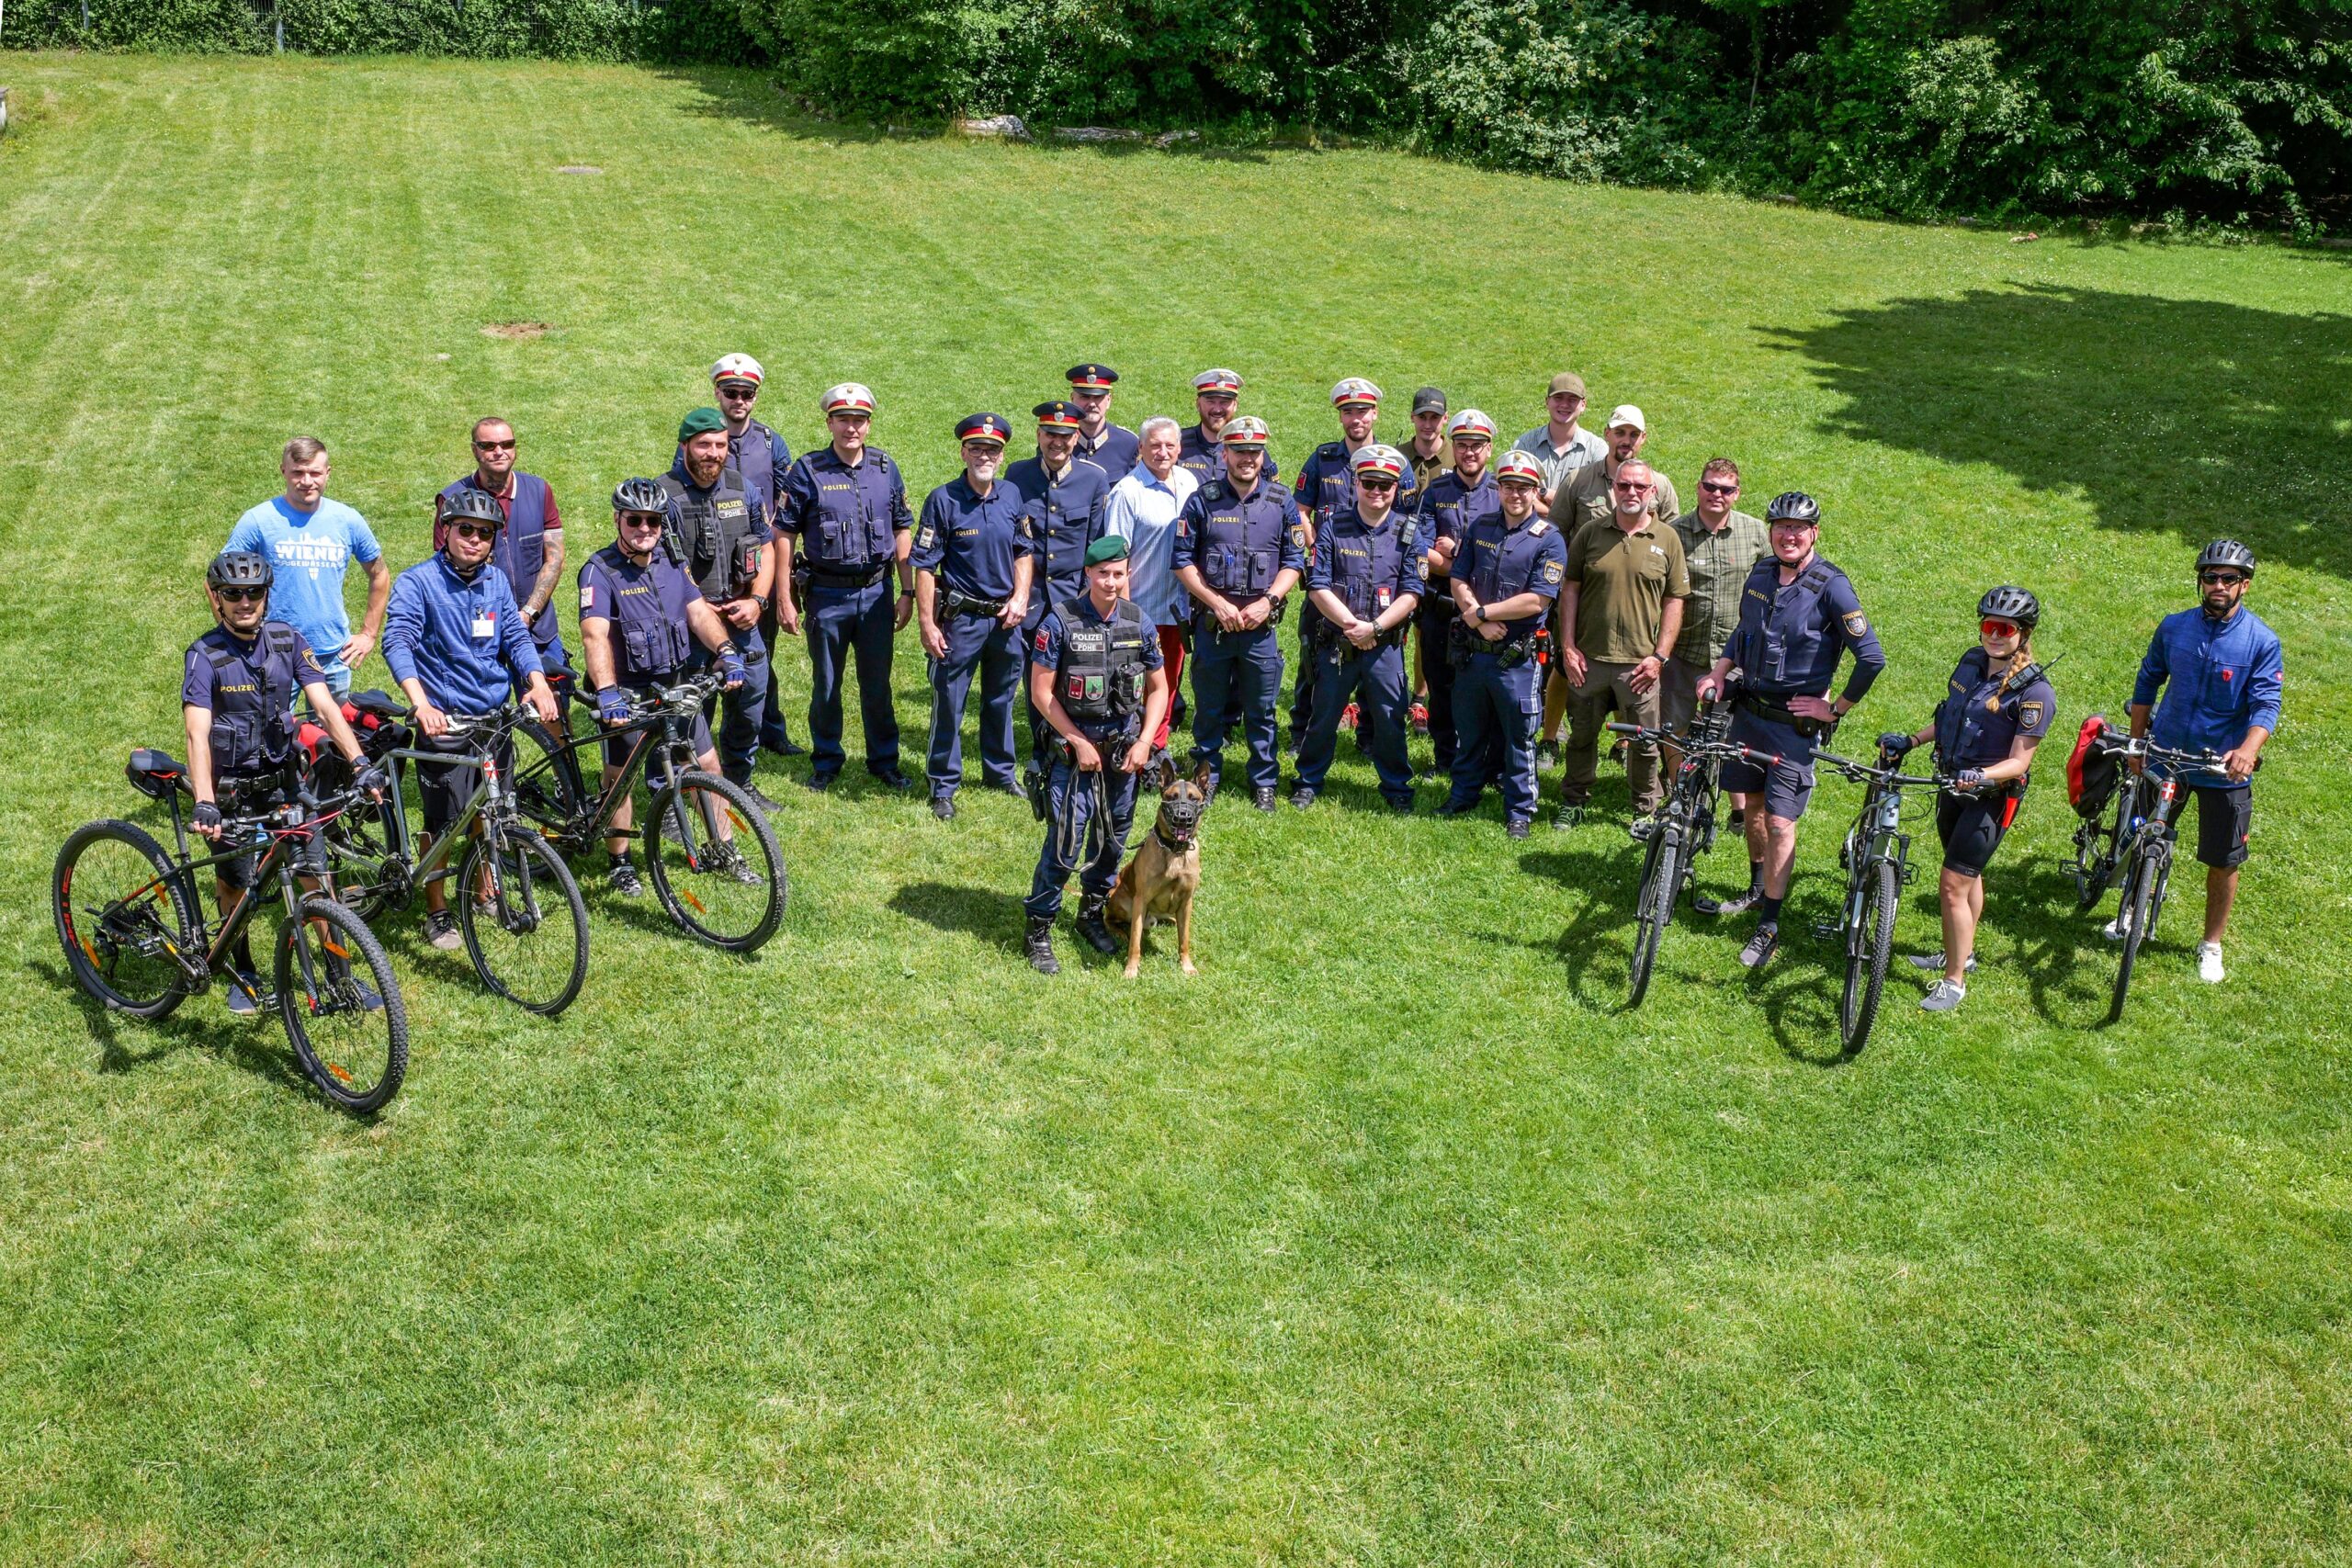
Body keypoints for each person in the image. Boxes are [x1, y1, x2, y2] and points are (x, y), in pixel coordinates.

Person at [1693, 491, 1887, 968]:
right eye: (1780, 527)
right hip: (1748, 716)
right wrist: (1720, 671)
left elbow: (1872, 658)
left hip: (1792, 728)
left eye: (1798, 528)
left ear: (1814, 533)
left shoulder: (1832, 587)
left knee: (1781, 822)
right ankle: (1758, 890)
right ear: (1771, 531)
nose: (1789, 535)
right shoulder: (1760, 573)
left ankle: (1771, 924)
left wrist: (1835, 710)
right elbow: (1744, 632)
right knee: (1752, 807)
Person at [183, 551, 379, 1011]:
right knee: (236, 884)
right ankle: (242, 971)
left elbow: (326, 707)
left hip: (285, 785)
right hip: (230, 792)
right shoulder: (204, 655)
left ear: (267, 595)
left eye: (253, 592)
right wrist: (206, 801)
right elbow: (197, 732)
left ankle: (340, 977)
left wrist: (359, 761)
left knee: (316, 877)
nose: (244, 601)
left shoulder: (289, 641)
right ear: (217, 598)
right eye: (233, 593)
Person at [382, 489, 562, 950]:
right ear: (447, 530)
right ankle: (438, 911)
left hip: (492, 719)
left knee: (492, 810)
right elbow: (397, 642)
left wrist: (536, 680)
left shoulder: (496, 582)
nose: (475, 540)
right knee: (443, 823)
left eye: (484, 533)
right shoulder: (417, 582)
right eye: (466, 530)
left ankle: (485, 891)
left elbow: (516, 637)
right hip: (445, 723)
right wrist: (421, 703)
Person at [1881, 587, 2057, 1013]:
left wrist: (1980, 776)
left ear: (2024, 633)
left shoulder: (2035, 693)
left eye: (2005, 628)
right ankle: (1964, 952)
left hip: (1990, 798)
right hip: (1952, 786)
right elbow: (1949, 716)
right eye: (1987, 626)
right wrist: (1913, 740)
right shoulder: (1972, 662)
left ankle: (1954, 981)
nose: (1994, 635)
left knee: (1952, 885)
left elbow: (2019, 763)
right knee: (1968, 878)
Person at [2116, 539, 2281, 984]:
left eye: (2229, 579)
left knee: (2223, 860)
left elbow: (2267, 703)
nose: (2219, 585)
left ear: (2244, 586)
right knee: (2142, 835)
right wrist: (2136, 744)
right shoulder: (2174, 628)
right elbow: (2147, 681)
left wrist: (2247, 750)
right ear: (2200, 581)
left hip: (2221, 768)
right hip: (2167, 752)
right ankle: (2129, 910)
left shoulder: (2261, 641)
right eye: (2211, 577)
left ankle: (2211, 944)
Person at [577, 479, 752, 896]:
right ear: (618, 519)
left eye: (652, 520)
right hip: (626, 692)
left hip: (675, 684)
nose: (644, 528)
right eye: (634, 519)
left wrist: (725, 649)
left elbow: (697, 612)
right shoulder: (599, 571)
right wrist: (606, 692)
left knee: (707, 768)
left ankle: (723, 849)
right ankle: (621, 862)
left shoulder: (673, 561)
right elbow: (594, 636)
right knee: (620, 779)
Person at [1023, 535, 1170, 975]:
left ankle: (1090, 914)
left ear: (1129, 575)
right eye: (1102, 573)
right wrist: (1078, 740)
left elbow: (1159, 689)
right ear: (1088, 574)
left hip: (1123, 755)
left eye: (1118, 573)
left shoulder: (1139, 623)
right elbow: (1041, 693)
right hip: (1075, 754)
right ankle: (1039, 928)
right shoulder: (1060, 623)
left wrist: (1145, 742)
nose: (1110, 581)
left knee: (1113, 839)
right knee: (1066, 844)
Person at [775, 382, 916, 791]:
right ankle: (827, 759)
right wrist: (784, 596)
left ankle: (884, 761)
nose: (851, 428)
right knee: (827, 683)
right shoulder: (807, 471)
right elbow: (784, 534)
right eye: (844, 420)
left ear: (868, 425)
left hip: (876, 593)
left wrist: (906, 592)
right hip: (826, 594)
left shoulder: (885, 469)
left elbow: (902, 530)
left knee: (877, 683)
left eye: (859, 420)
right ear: (830, 423)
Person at [1171, 416, 1304, 813]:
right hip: (1214, 624)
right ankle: (1205, 780)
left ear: (1262, 456)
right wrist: (1216, 602)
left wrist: (1271, 601)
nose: (1247, 458)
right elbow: (1181, 560)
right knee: (1209, 709)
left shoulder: (1282, 502)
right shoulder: (1202, 500)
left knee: (1261, 710)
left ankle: (1264, 781)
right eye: (1239, 451)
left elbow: (1295, 559)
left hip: (1260, 627)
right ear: (1224, 453)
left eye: (1255, 452)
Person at [1539, 405, 1681, 764]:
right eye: (1620, 433)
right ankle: (1550, 736)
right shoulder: (1579, 479)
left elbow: (1668, 538)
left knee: (1628, 666)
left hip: (1636, 595)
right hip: (1582, 591)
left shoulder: (1659, 485)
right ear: (1607, 434)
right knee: (1563, 665)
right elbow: (1556, 531)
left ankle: (1623, 742)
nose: (1627, 441)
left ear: (1643, 439)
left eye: (1634, 435)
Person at [1554, 458, 1690, 830]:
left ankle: (1645, 809)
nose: (1632, 493)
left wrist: (1660, 657)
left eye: (1640, 487)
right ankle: (1574, 799)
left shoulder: (1667, 539)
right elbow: (1570, 590)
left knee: (1646, 743)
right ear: (1614, 488)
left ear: (1653, 492)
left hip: (1640, 665)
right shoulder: (1591, 534)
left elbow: (1675, 600)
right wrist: (1568, 646)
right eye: (1624, 485)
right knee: (1582, 736)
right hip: (1589, 660)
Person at [1437, 451, 1565, 839]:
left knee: (1519, 737)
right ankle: (1463, 794)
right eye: (1509, 486)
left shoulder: (1550, 539)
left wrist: (1484, 615)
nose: (1515, 494)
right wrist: (1475, 613)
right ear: (1499, 489)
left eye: (1524, 488)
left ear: (1534, 492)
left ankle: (1520, 810)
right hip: (1475, 655)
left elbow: (1537, 600)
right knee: (1469, 731)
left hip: (1517, 659)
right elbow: (1458, 577)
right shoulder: (1480, 527)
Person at [913, 413, 1035, 819]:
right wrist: (927, 623)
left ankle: (1000, 773)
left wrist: (1020, 598)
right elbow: (925, 566)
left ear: (1002, 457)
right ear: (963, 452)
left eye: (993, 450)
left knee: (1001, 699)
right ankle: (943, 784)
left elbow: (1023, 551)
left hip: (1005, 619)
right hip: (961, 619)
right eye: (977, 448)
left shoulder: (1013, 495)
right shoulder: (942, 499)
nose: (985, 455)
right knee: (950, 701)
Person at [1288, 378, 1419, 750]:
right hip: (1329, 581)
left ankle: (1369, 735)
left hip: (1380, 581)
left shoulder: (1397, 466)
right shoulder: (1323, 458)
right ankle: (1304, 730)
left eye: (1362, 410)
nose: (1355, 418)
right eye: (1348, 411)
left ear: (1375, 413)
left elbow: (1408, 523)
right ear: (1340, 416)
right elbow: (1300, 512)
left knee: (1378, 660)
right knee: (1314, 655)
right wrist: (1319, 551)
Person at [1293, 445, 1423, 812]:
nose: (1377, 492)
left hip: (1384, 644)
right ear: (1356, 483)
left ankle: (1397, 786)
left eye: (1385, 486)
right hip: (1339, 640)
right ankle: (1308, 780)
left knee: (1390, 718)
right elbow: (1317, 585)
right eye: (1369, 483)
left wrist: (1375, 627)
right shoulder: (1333, 527)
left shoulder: (1408, 531)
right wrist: (1353, 626)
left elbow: (1413, 592)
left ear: (1396, 488)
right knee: (1324, 716)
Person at [663, 407, 779, 812]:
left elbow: (766, 546)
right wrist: (702, 612)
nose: (713, 453)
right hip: (688, 628)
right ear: (685, 448)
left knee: (749, 709)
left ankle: (739, 782)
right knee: (684, 720)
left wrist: (758, 600)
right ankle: (676, 800)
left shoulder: (743, 488)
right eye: (704, 445)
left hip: (742, 619)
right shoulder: (665, 497)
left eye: (720, 445)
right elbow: (667, 568)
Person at [225, 435, 390, 697]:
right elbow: (218, 579)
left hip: (334, 656)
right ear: (283, 472)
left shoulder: (347, 520)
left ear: (328, 473)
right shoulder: (259, 520)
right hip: (273, 654)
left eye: (315, 472)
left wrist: (369, 634)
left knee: (330, 736)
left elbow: (379, 573)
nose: (306, 481)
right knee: (271, 736)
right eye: (298, 473)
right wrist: (234, 634)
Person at [702, 353, 806, 759]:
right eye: (731, 392)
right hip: (713, 564)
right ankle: (706, 738)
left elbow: (789, 497)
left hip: (759, 562)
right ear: (718, 393)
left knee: (762, 650)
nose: (739, 400)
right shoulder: (704, 440)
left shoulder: (770, 440)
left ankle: (770, 730)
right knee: (713, 654)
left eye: (746, 393)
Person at [437, 415, 571, 718]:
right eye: (489, 445)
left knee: (553, 714)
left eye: (507, 444)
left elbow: (554, 558)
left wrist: (528, 613)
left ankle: (560, 768)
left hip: (538, 629)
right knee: (487, 720)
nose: (499, 451)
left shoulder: (539, 490)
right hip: (480, 635)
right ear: (475, 450)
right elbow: (446, 571)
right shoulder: (452, 498)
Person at [1664, 458, 1769, 836]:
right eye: (1710, 486)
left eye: (1726, 489)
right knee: (1674, 728)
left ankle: (1738, 808)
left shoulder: (1755, 533)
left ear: (1737, 494)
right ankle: (1679, 797)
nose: (1717, 495)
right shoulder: (1673, 533)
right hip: (1684, 650)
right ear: (1698, 487)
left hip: (1735, 655)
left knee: (1732, 735)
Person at [1101, 416, 1198, 761]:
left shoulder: (1189, 482)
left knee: (1168, 681)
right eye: (1154, 445)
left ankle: (1157, 745)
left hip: (1179, 608)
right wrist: (1125, 616)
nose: (1162, 451)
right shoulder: (1127, 493)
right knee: (1132, 684)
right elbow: (1115, 558)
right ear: (1140, 448)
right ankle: (1130, 745)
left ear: (1179, 448)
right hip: (1141, 608)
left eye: (1169, 445)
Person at [1413, 409, 1502, 783]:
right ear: (1453, 447)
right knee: (1440, 685)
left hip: (1487, 610)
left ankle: (1484, 760)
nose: (1469, 452)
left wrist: (1454, 552)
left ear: (1489, 448)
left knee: (1485, 689)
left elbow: (1504, 555)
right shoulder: (1436, 491)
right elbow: (1420, 548)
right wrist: (1469, 559)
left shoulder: (1502, 492)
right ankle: (1444, 756)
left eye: (1477, 445)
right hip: (1440, 607)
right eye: (1462, 445)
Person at [1511, 372, 1607, 517]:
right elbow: (1513, 495)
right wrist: (1566, 509)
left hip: (1578, 538)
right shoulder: (1524, 445)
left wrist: (1543, 493)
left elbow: (1600, 501)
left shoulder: (1597, 450)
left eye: (1572, 399)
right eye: (1558, 398)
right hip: (1531, 537)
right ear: (1547, 402)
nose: (1564, 404)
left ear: (1583, 405)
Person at [1175, 368, 1281, 486]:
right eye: (1210, 402)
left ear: (1235, 405)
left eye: (1224, 402)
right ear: (1198, 404)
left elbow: (1273, 497)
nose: (1217, 409)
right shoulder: (1177, 444)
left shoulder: (1252, 449)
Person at [1065, 363, 1140, 483]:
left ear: (1109, 400)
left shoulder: (1128, 444)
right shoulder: (1059, 443)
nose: (1092, 404)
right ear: (1072, 399)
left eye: (1098, 397)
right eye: (1085, 397)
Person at [1403, 387, 1452, 494]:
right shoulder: (1397, 457)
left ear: (1445, 418)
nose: (1427, 425)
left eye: (1435, 417)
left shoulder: (1457, 459)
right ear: (1412, 417)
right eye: (1422, 417)